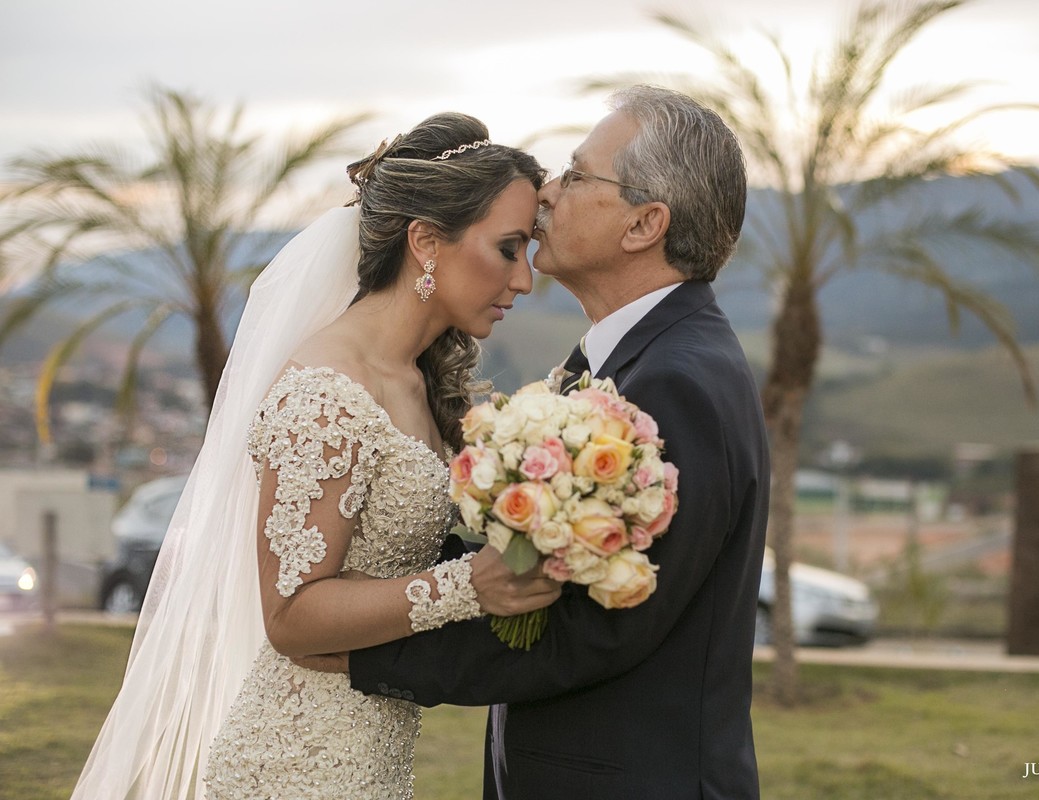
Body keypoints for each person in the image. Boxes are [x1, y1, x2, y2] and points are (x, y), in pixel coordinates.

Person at [71, 113, 562, 800]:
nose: (525, 279)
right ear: (426, 241)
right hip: (298, 767)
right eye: (508, 248)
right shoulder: (327, 394)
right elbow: (291, 617)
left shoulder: (416, 379)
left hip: (372, 758)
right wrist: (471, 586)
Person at [344, 85, 771, 799]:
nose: (546, 190)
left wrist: (360, 654)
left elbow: (591, 631)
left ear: (644, 224)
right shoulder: (623, 365)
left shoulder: (677, 384)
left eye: (576, 175)